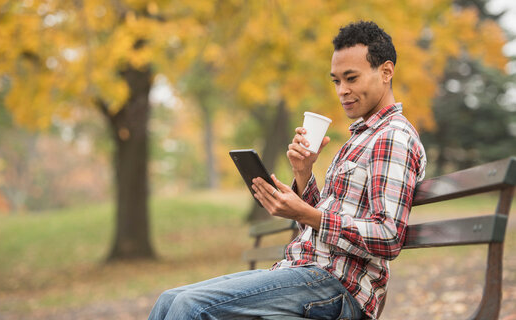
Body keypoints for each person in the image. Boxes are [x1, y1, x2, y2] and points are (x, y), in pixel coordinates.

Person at [147, 20, 427, 320]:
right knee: (170, 299)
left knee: (190, 308)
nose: (342, 91)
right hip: (306, 274)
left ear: (386, 72)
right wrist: (303, 173)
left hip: (336, 287)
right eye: (336, 81)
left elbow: (388, 236)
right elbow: (322, 228)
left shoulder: (392, 136)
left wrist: (304, 213)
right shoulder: (361, 137)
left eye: (351, 78)